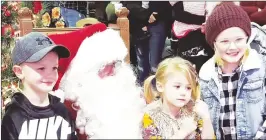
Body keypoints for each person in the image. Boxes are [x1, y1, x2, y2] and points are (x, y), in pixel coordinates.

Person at [57, 29, 146, 139]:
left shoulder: (135, 100)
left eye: (117, 63)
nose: (113, 71)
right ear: (86, 71)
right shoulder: (70, 108)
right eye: (105, 66)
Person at [199, 2, 266, 139]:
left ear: (247, 38)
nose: (232, 47)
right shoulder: (206, 75)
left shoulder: (260, 67)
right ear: (214, 43)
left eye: (239, 39)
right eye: (224, 41)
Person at [1, 32, 77, 139]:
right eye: (41, 68)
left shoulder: (62, 111)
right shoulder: (14, 116)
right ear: (19, 71)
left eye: (54, 68)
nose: (50, 74)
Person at [142, 57, 215, 139]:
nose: (183, 93)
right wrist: (183, 132)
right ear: (160, 86)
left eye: (188, 88)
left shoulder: (194, 111)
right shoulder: (149, 116)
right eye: (177, 86)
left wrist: (206, 118)